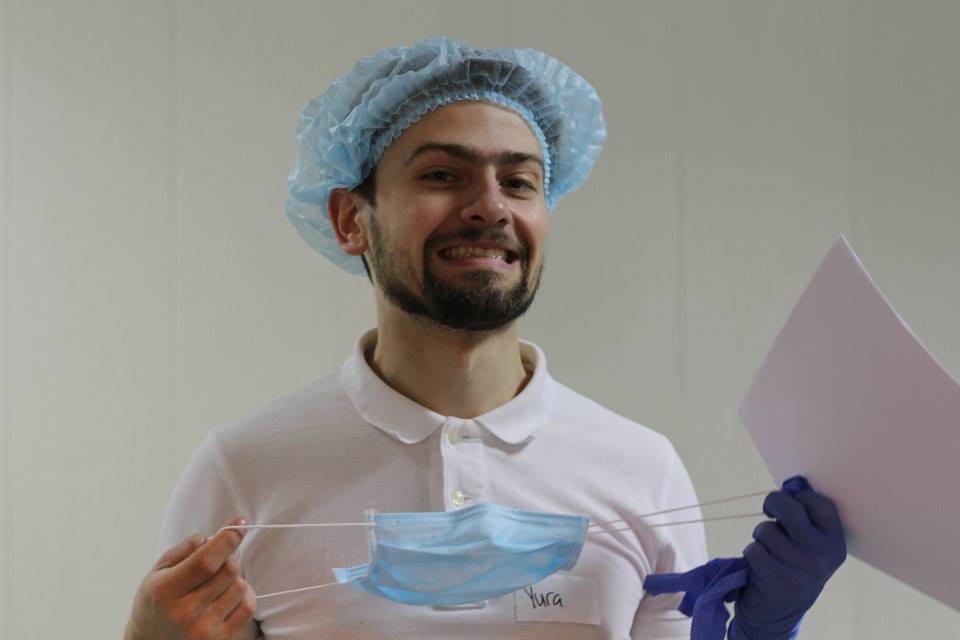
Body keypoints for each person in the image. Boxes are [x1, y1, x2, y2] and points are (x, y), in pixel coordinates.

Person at [124, 37, 844, 640]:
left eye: (520, 182)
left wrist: (760, 634)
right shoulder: (246, 470)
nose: (490, 207)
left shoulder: (641, 468)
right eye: (443, 174)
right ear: (350, 219)